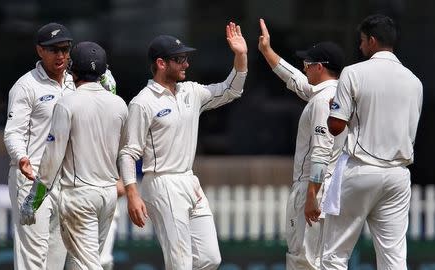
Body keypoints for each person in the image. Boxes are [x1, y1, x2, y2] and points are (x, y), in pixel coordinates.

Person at [118, 22, 248, 270]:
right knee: (180, 263)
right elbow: (128, 152)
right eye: (180, 59)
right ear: (161, 63)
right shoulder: (142, 103)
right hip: (161, 181)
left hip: (189, 179)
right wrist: (133, 194)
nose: (186, 64)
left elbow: (231, 90)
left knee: (210, 258)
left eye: (186, 58)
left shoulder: (192, 92)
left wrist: (240, 55)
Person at [323, 14, 423, 269]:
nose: (360, 46)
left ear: (373, 41)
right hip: (398, 175)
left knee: (334, 254)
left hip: (361, 169)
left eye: (362, 41)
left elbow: (335, 127)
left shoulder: (353, 72)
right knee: (394, 258)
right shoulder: (415, 81)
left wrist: (331, 110)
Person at [19, 41, 128, 269]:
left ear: (72, 70)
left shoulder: (67, 103)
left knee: (87, 265)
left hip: (80, 197)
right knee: (80, 263)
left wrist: (34, 199)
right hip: (107, 196)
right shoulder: (119, 104)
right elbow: (125, 148)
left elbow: (51, 157)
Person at [258, 18, 346, 269]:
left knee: (303, 259)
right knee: (326, 259)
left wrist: (311, 195)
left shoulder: (320, 102)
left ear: (320, 67)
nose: (304, 67)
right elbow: (295, 80)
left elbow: (320, 150)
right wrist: (267, 51)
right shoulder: (338, 96)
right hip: (332, 188)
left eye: (308, 63)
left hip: (314, 185)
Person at [3, 22, 73, 270]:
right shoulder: (26, 85)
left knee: (56, 259)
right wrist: (21, 158)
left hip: (64, 181)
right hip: (32, 179)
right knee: (32, 259)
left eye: (65, 49)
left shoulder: (74, 83)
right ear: (39, 51)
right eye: (54, 50)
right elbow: (13, 133)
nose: (61, 55)